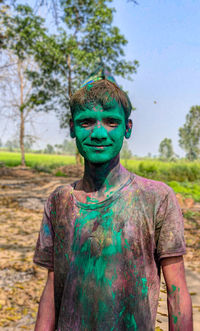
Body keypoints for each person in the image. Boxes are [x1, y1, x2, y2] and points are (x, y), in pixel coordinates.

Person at [33, 65, 193, 331]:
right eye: (86, 122)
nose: (98, 133)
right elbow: (53, 286)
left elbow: (177, 293)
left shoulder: (156, 198)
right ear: (72, 128)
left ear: (127, 128)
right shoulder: (60, 201)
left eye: (111, 121)